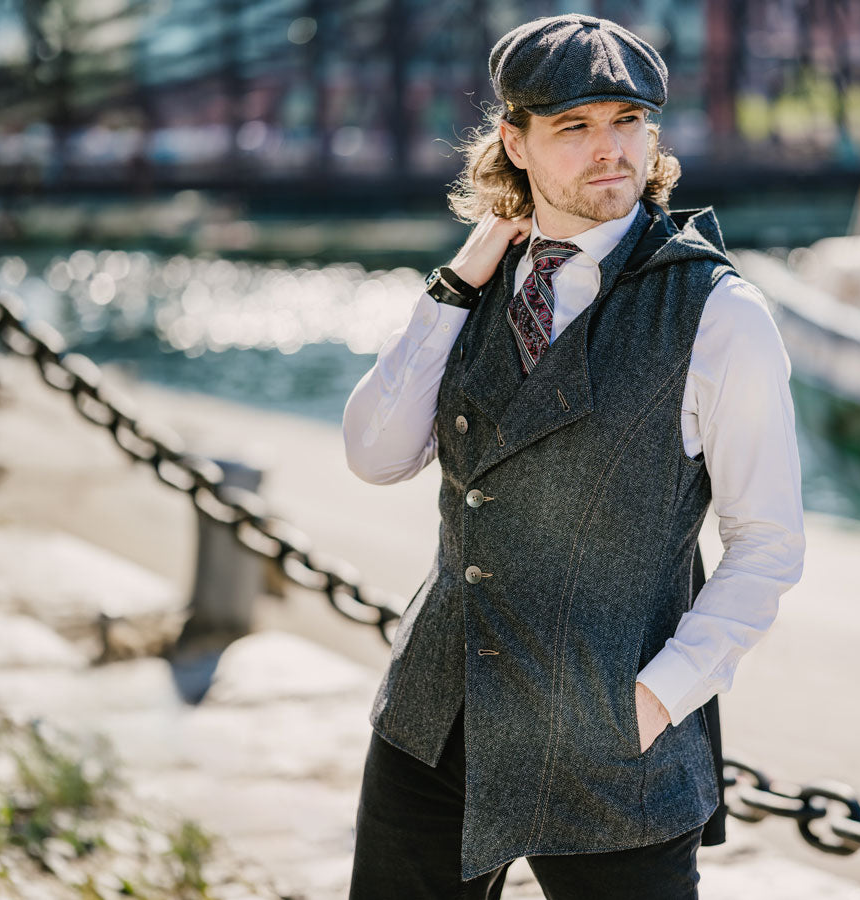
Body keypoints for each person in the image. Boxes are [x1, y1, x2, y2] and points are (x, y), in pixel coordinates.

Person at [342, 13, 804, 899]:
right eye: (574, 126)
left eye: (627, 121)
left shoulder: (721, 314)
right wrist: (452, 287)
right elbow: (375, 454)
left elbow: (769, 544)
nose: (609, 149)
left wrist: (656, 701)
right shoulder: (479, 284)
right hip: (435, 715)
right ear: (514, 142)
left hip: (610, 744)